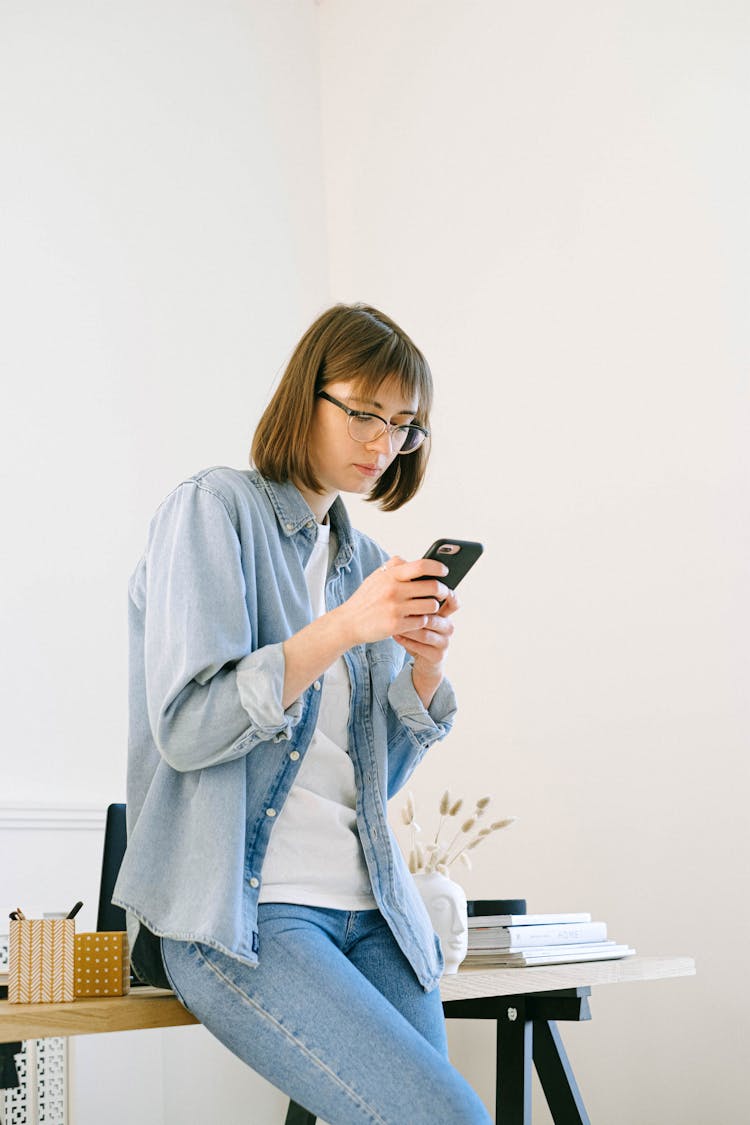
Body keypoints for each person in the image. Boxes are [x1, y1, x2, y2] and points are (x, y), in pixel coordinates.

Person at [113, 302, 491, 1124]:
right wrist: (343, 627)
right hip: (250, 917)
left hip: (378, 912)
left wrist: (422, 674)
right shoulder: (213, 510)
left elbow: (371, 779)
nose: (381, 441)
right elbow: (188, 725)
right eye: (362, 411)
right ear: (305, 394)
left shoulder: (370, 563)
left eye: (403, 424)